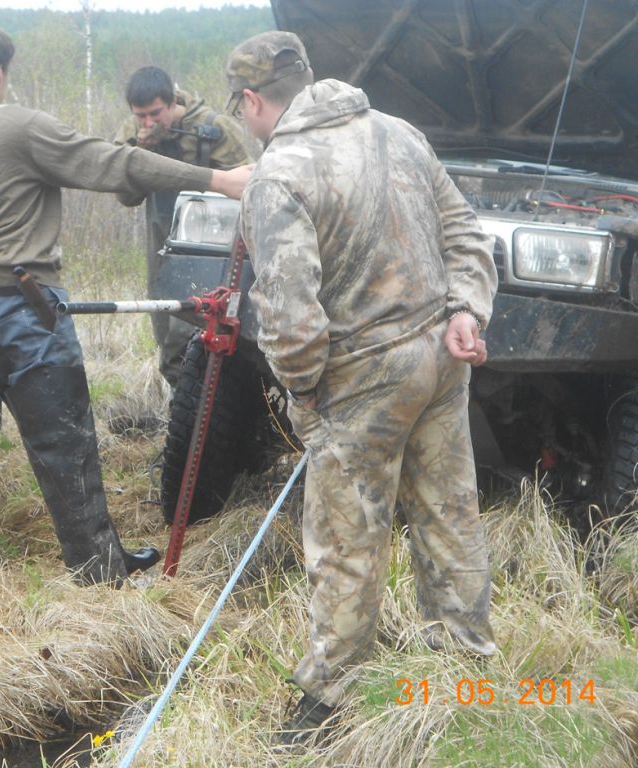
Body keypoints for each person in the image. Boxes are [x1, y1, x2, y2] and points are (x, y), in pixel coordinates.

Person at [227, 31, 498, 743]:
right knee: (451, 516)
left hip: (360, 380)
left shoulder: (277, 175)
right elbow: (466, 234)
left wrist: (302, 394)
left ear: (251, 101)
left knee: (347, 541)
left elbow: (289, 315)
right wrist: (466, 310)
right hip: (439, 359)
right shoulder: (398, 132)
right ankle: (466, 675)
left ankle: (329, 705)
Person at [0, 21, 250, 586]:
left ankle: (104, 556)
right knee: (65, 443)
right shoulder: (16, 126)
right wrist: (219, 179)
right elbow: (113, 164)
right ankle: (100, 579)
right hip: (25, 305)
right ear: (2, 70)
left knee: (53, 441)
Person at [113, 65, 253, 387]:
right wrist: (141, 152)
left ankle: (206, 398)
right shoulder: (131, 135)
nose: (148, 123)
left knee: (196, 332)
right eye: (140, 116)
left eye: (155, 113)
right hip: (161, 238)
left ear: (173, 101)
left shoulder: (214, 128)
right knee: (165, 327)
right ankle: (181, 398)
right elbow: (125, 196)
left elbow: (247, 186)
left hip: (210, 247)